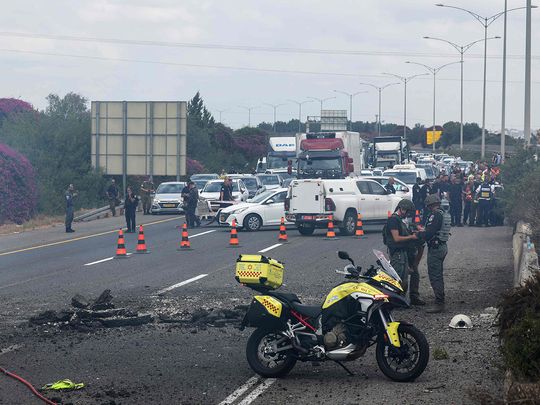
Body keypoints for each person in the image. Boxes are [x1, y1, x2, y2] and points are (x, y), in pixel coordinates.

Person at [384, 199, 424, 305]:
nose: (409, 214)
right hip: (397, 253)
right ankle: (397, 300)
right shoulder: (393, 220)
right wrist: (412, 236)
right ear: (402, 209)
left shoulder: (401, 220)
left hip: (404, 252)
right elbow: (396, 238)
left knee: (413, 274)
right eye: (408, 212)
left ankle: (411, 297)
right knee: (400, 277)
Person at [418, 194, 451, 313]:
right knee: (438, 274)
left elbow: (429, 233)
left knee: (435, 275)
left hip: (436, 248)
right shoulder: (444, 214)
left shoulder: (435, 215)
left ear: (430, 205)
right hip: (442, 246)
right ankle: (439, 300)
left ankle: (439, 303)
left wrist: (418, 234)